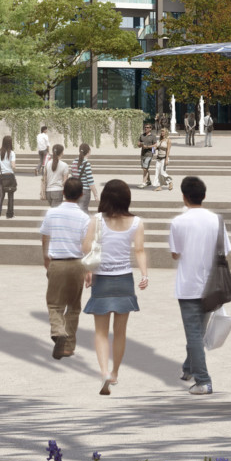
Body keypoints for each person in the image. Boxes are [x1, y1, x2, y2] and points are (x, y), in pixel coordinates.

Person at [80, 179, 149, 396]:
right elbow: (139, 250)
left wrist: (87, 271)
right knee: (120, 332)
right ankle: (115, 372)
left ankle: (103, 372)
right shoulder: (137, 222)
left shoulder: (96, 220)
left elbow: (85, 247)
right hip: (124, 279)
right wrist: (144, 274)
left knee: (101, 332)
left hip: (101, 279)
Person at [168, 176, 227, 396]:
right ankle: (189, 368)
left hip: (189, 285)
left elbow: (175, 254)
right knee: (198, 331)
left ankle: (203, 380)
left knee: (193, 333)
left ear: (184, 196)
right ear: (204, 195)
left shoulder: (178, 222)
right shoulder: (216, 220)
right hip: (211, 284)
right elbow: (225, 250)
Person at [40, 177, 90, 359]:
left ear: (63, 192)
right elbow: (87, 245)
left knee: (54, 304)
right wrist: (89, 269)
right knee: (74, 307)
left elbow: (45, 237)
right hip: (77, 264)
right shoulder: (85, 218)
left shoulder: (51, 214)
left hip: (58, 262)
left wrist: (46, 257)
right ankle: (68, 346)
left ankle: (58, 331)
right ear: (81, 195)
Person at [0, 135, 18, 220]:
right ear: (10, 143)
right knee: (10, 196)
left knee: (1, 196)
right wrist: (14, 166)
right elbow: (13, 166)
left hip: (1, 177)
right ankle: (9, 214)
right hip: (10, 176)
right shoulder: (12, 153)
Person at [138, 122, 158, 188]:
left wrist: (148, 146)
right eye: (145, 127)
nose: (145, 128)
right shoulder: (142, 135)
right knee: (145, 168)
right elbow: (138, 144)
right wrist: (140, 144)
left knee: (145, 168)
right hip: (143, 154)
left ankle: (144, 183)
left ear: (150, 129)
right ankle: (149, 181)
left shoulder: (153, 136)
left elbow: (155, 145)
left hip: (149, 154)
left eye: (147, 127)